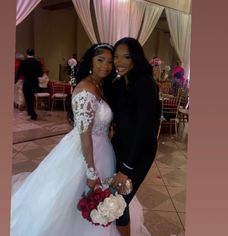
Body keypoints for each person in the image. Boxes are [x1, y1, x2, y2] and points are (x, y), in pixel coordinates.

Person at [11, 43, 149, 236]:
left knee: (104, 203)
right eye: (100, 60)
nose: (106, 65)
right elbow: (85, 135)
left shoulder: (101, 86)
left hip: (103, 150)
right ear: (91, 62)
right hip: (86, 153)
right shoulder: (86, 90)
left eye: (110, 61)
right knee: (72, 201)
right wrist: (91, 173)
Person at [105, 37, 161, 236]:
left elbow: (144, 130)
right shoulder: (120, 84)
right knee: (117, 200)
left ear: (136, 58)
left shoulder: (146, 85)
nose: (119, 62)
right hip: (120, 145)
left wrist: (126, 168)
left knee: (119, 202)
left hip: (140, 151)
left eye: (126, 57)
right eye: (116, 57)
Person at [17, 48, 44, 120]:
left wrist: (15, 80)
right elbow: (41, 74)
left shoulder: (23, 62)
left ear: (27, 53)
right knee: (31, 98)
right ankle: (31, 112)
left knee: (28, 97)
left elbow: (19, 73)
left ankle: (32, 112)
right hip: (34, 83)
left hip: (27, 82)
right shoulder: (38, 63)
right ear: (33, 53)